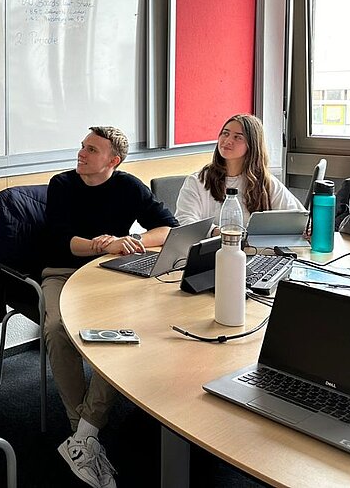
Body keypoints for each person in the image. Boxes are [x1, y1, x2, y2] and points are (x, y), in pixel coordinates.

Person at [44, 126, 178, 488]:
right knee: (56, 329)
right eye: (83, 145)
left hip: (107, 274)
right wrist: (100, 245)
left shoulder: (128, 186)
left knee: (123, 330)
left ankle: (83, 434)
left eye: (92, 149)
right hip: (61, 272)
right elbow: (62, 243)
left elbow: (169, 228)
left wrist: (131, 240)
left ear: (113, 161)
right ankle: (82, 433)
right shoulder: (62, 185)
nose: (82, 153)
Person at [175, 114, 303, 227]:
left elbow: (297, 217)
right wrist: (215, 232)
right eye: (225, 133)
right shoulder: (198, 181)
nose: (228, 141)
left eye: (238, 137)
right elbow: (184, 220)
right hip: (210, 251)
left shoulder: (266, 182)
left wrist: (307, 229)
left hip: (253, 251)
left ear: (251, 145)